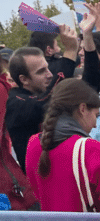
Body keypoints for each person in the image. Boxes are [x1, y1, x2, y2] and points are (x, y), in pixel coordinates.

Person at [26, 78, 100, 211]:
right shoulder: (90, 149)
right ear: (82, 108)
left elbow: (36, 194)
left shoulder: (34, 143)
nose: (95, 124)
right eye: (96, 115)